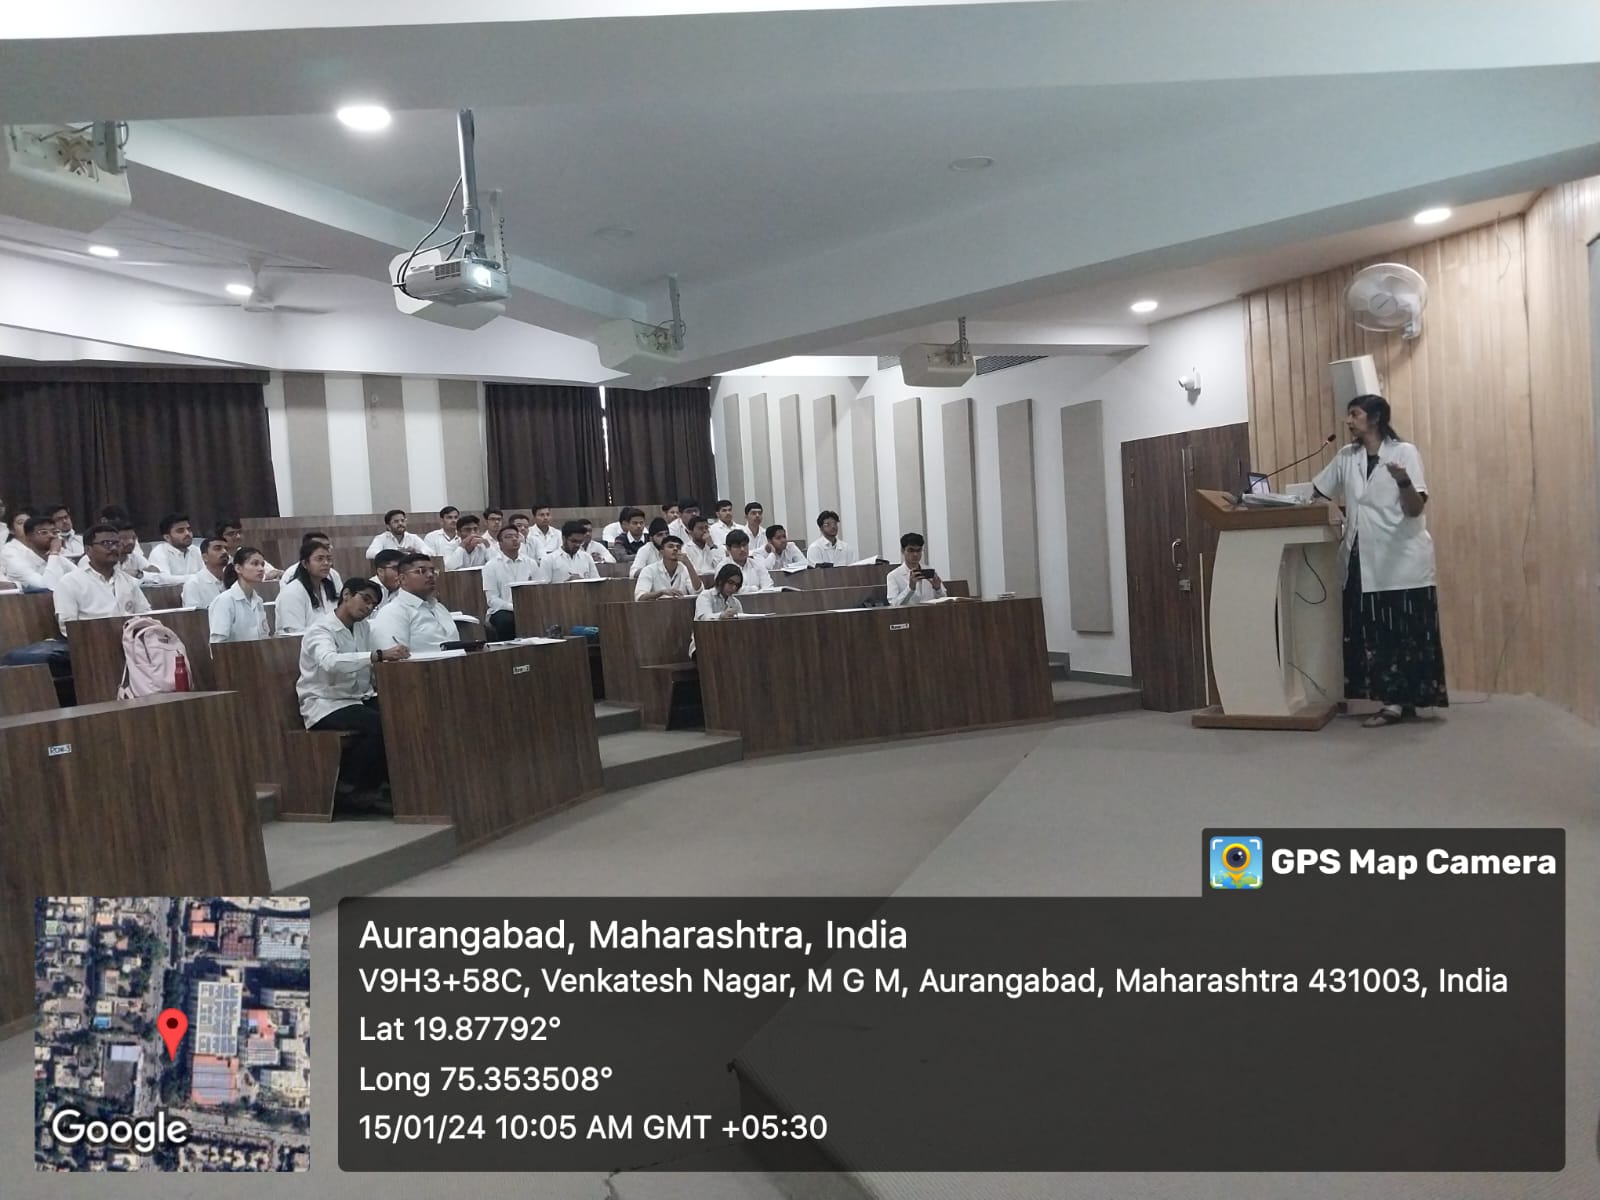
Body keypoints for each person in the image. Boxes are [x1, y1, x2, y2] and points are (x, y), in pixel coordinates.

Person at [1312, 393, 1449, 727]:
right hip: (1361, 557)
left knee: (1404, 629)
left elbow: (1415, 508)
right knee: (1373, 629)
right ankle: (1392, 701)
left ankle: (1401, 702)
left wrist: (1402, 480)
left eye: (1355, 414)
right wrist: (1330, 508)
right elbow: (1318, 491)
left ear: (1375, 418)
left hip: (1401, 557)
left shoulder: (1404, 452)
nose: (1348, 421)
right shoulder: (1347, 457)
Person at [296, 579, 410, 816]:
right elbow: (330, 662)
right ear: (346, 595)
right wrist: (378, 655)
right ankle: (352, 788)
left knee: (401, 714)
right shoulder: (320, 630)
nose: (368, 607)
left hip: (357, 697)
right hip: (325, 702)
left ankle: (391, 784)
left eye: (373, 605)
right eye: (365, 599)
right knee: (378, 725)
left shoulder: (363, 627)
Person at [52, 522, 151, 635]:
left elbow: (145, 614)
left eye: (117, 543)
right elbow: (67, 627)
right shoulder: (70, 582)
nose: (114, 548)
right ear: (88, 550)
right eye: (107, 543)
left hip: (131, 639)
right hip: (92, 641)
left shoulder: (128, 580)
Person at [371, 552, 458, 652]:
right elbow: (394, 657)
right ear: (403, 579)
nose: (430, 575)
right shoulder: (393, 612)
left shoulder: (439, 607)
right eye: (421, 571)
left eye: (433, 571)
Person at [482, 526, 542, 640]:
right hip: (503, 610)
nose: (514, 539)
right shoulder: (490, 566)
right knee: (506, 620)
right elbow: (492, 600)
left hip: (530, 607)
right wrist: (515, 607)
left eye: (516, 536)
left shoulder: (531, 563)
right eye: (508, 537)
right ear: (500, 544)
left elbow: (539, 589)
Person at [275, 540, 341, 635]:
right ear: (305, 564)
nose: (326, 563)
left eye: (329, 559)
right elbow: (295, 632)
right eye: (320, 559)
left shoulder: (329, 586)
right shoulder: (291, 592)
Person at [206, 546, 271, 642]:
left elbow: (264, 637)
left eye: (262, 564)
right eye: (254, 564)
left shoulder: (258, 601)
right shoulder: (225, 601)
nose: (261, 569)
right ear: (238, 568)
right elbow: (218, 644)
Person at [1, 515, 70, 591]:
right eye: (44, 532)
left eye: (54, 532)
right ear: (29, 537)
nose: (51, 536)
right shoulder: (17, 561)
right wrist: (54, 553)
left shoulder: (54, 555)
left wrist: (55, 554)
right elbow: (46, 587)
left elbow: (78, 576)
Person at [690, 563, 744, 656]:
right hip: (703, 645)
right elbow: (704, 619)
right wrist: (721, 616)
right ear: (720, 580)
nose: (734, 587)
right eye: (730, 583)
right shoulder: (705, 596)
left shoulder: (736, 603)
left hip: (728, 645)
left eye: (737, 585)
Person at [886, 532, 947, 606]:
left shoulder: (929, 571)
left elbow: (944, 599)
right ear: (902, 550)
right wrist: (910, 588)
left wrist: (938, 589)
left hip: (931, 611)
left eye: (918, 550)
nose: (915, 554)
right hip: (908, 612)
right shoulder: (893, 576)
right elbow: (894, 604)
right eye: (911, 550)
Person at [634, 535, 698, 599]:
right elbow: (640, 597)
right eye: (670, 546)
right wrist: (661, 592)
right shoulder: (648, 570)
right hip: (658, 605)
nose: (675, 549)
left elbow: (698, 592)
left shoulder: (686, 569)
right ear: (662, 552)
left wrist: (689, 564)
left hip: (682, 605)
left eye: (678, 547)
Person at [215, 518, 282, 579]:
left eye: (239, 532)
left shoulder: (247, 553)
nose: (238, 536)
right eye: (231, 534)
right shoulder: (217, 557)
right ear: (220, 537)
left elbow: (274, 572)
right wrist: (265, 577)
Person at [146, 513, 204, 581]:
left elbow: (208, 574)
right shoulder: (159, 552)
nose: (187, 533)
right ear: (167, 537)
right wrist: (198, 578)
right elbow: (164, 579)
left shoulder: (196, 550)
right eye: (180, 531)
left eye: (189, 529)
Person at [181, 536, 232, 609]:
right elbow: (194, 614)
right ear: (205, 557)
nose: (224, 552)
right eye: (218, 548)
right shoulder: (193, 584)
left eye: (226, 549)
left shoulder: (233, 578)